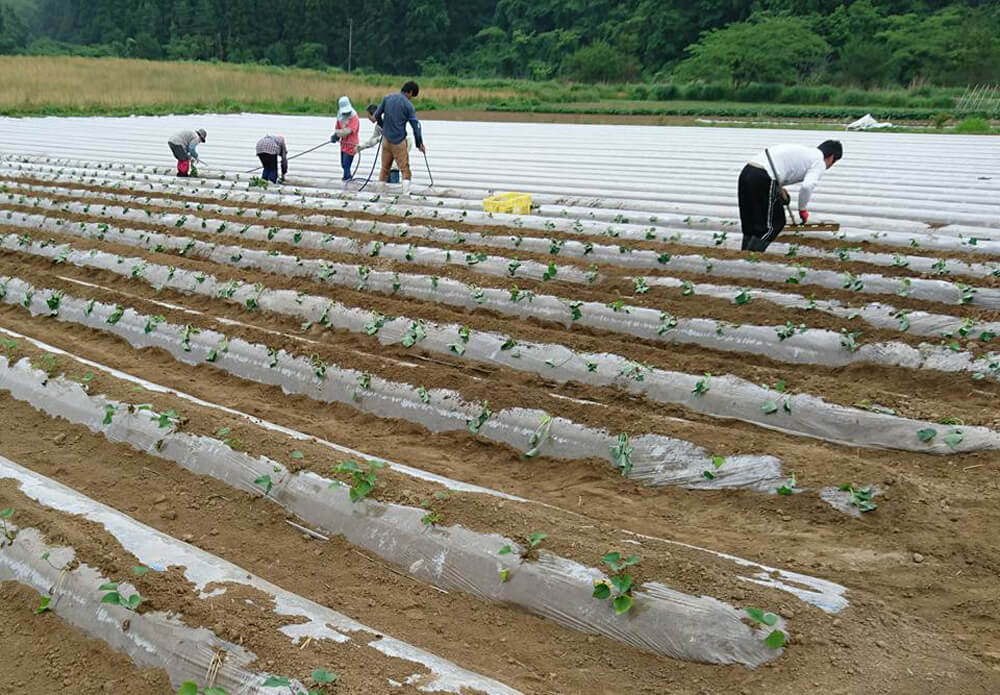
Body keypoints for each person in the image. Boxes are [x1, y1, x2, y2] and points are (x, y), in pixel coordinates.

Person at [737, 140, 843, 252]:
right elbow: (807, 186)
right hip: (764, 176)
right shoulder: (819, 161)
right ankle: (752, 255)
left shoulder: (806, 153)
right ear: (831, 158)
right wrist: (802, 211)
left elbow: (778, 168)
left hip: (747, 172)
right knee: (775, 224)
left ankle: (743, 255)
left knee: (751, 223)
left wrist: (779, 190)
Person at [373, 81, 425, 194]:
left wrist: (383, 126)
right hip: (399, 141)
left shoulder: (387, 98)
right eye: (412, 96)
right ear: (410, 92)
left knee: (384, 169)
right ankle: (406, 196)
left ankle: (380, 195)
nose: (411, 98)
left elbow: (376, 115)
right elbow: (415, 126)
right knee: (405, 170)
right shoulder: (408, 105)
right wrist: (419, 143)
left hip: (386, 140)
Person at [357, 103, 410, 182]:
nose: (368, 118)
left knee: (394, 166)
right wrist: (360, 147)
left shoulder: (387, 118)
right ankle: (388, 186)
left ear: (374, 114)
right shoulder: (378, 126)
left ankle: (394, 187)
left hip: (403, 142)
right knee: (387, 165)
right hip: (392, 145)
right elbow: (372, 140)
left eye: (369, 116)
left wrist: (380, 139)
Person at [330, 96, 360, 184]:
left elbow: (349, 131)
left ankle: (347, 180)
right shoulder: (340, 115)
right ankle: (346, 179)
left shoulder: (354, 116)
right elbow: (337, 128)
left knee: (346, 165)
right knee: (343, 164)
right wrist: (335, 136)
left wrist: (338, 134)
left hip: (352, 145)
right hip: (343, 145)